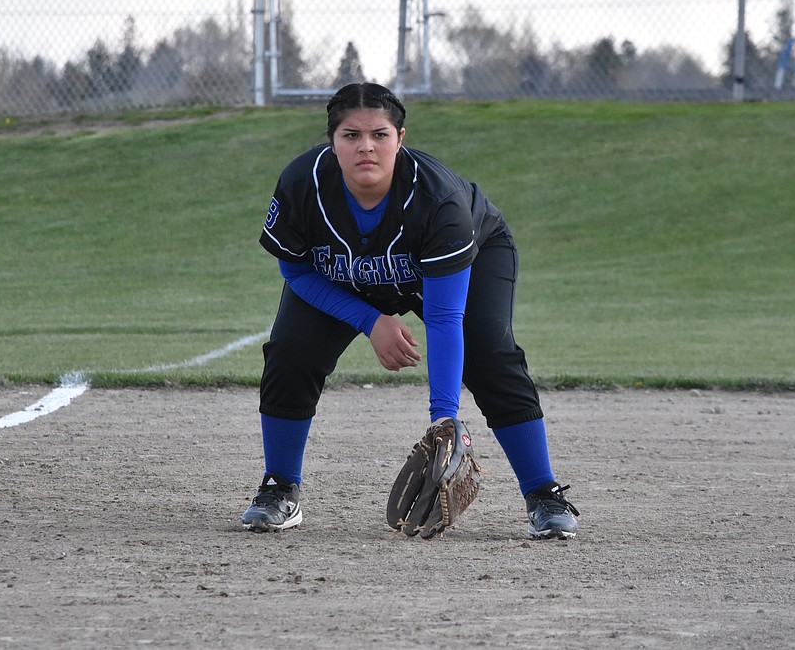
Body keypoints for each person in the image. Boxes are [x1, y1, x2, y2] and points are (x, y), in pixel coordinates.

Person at [242, 82, 579, 540]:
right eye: (351, 135)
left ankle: (544, 493)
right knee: (291, 350)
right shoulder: (303, 184)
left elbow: (443, 318)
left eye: (380, 135)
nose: (366, 146)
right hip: (344, 277)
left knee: (489, 355)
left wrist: (444, 419)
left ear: (401, 139)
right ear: (331, 142)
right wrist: (370, 321)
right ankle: (279, 487)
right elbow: (297, 272)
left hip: (468, 259)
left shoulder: (438, 200)